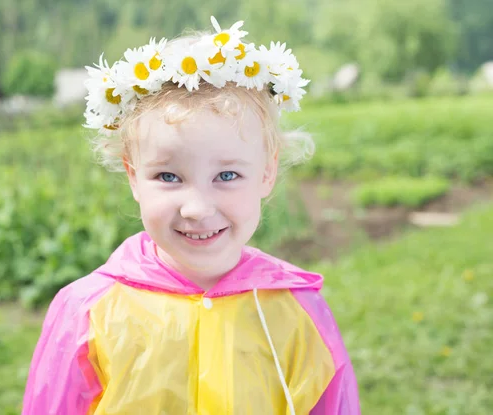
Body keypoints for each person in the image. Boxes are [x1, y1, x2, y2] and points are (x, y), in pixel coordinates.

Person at [22, 16, 360, 415]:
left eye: (227, 175)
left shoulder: (300, 310)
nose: (197, 208)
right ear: (133, 176)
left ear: (267, 172)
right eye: (168, 176)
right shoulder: (86, 313)